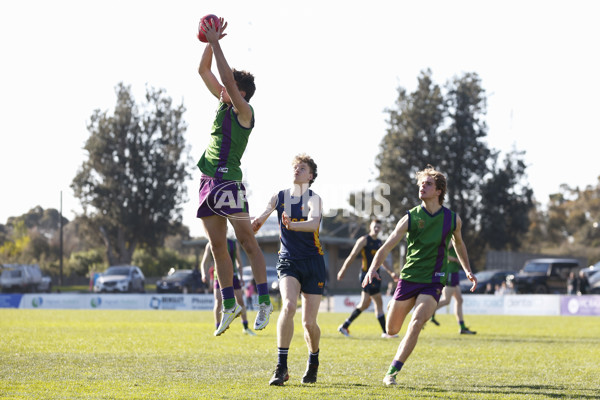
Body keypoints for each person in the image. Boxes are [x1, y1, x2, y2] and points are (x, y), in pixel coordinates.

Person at [362, 165, 477, 386]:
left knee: (416, 322)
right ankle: (393, 306)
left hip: (434, 280)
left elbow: (459, 245)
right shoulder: (410, 217)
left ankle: (392, 372)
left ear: (439, 191)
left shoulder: (452, 219)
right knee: (392, 329)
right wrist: (372, 268)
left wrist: (468, 270)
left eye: (428, 184)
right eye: (421, 184)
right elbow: (386, 246)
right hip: (409, 277)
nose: (422, 187)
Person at [196, 17, 272, 336]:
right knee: (217, 247)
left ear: (241, 93)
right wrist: (206, 44)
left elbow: (223, 75)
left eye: (231, 87)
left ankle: (265, 302)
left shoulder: (245, 112)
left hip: (228, 181)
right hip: (207, 180)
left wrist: (216, 42)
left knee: (246, 241)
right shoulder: (223, 103)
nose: (224, 88)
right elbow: (204, 72)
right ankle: (230, 305)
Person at [252, 154, 326, 386]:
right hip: (288, 260)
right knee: (289, 306)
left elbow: (314, 223)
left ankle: (313, 359)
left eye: (302, 168)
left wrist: (292, 224)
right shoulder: (279, 196)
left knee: (309, 323)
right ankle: (281, 367)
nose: (297, 170)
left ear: (311, 175)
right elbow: (261, 217)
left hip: (313, 262)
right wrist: (251, 225)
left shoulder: (315, 199)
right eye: (295, 167)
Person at [337, 219, 399, 338]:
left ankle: (344, 326)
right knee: (379, 303)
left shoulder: (380, 243)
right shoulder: (364, 240)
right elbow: (352, 256)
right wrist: (342, 270)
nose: (377, 228)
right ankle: (386, 332)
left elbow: (383, 261)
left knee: (364, 304)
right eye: (375, 226)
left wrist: (391, 273)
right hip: (367, 276)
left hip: (376, 276)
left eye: (378, 227)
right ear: (370, 226)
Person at [201, 238, 256, 336]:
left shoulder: (233, 244)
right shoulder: (210, 244)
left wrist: (241, 277)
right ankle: (218, 327)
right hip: (218, 277)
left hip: (233, 276)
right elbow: (204, 262)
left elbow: (239, 262)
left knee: (240, 301)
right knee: (218, 302)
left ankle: (246, 327)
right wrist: (203, 274)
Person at [430, 243, 476, 334]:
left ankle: (462, 327)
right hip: (449, 272)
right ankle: (429, 310)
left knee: (459, 300)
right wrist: (455, 259)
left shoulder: (456, 236)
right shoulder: (450, 237)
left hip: (454, 273)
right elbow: (442, 253)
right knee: (446, 300)